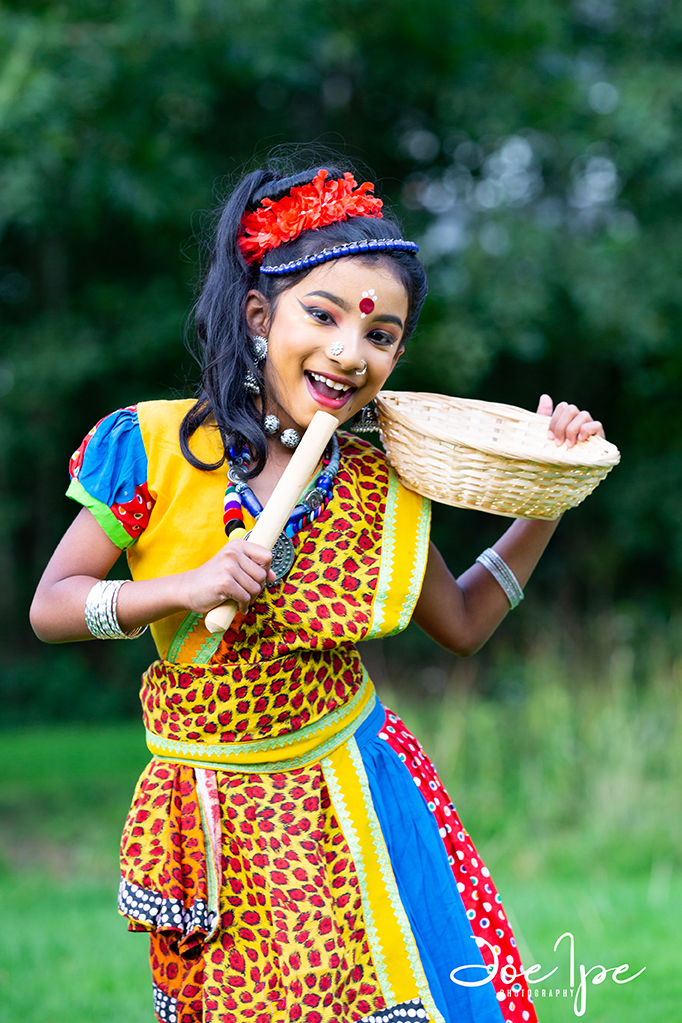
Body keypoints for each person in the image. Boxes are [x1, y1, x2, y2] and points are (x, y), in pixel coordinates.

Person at [30, 160, 605, 1023]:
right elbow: (53, 605)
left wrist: (547, 492)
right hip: (216, 811)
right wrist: (185, 586)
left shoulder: (376, 479)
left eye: (381, 336)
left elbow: (464, 623)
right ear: (260, 317)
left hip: (352, 793)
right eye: (323, 315)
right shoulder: (150, 446)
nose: (349, 350)